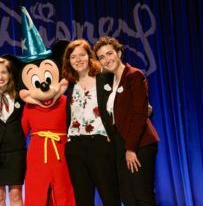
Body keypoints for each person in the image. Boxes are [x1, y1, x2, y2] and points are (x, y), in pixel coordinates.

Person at [93, 36, 160, 206]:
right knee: (128, 197)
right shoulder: (112, 81)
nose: (107, 59)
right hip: (121, 145)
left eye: (109, 53)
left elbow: (139, 114)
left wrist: (131, 148)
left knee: (142, 196)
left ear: (119, 53)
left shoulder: (134, 75)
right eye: (101, 57)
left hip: (139, 144)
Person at [62, 39, 121, 206]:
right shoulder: (70, 84)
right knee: (83, 199)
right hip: (75, 147)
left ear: (89, 56)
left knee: (110, 196)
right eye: (73, 57)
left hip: (101, 144)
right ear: (69, 61)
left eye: (82, 54)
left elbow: (124, 95)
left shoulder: (105, 77)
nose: (78, 59)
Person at [0, 57, 26, 206]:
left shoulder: (21, 96)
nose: (0, 77)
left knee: (16, 195)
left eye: (3, 72)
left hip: (16, 152)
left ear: (9, 74)